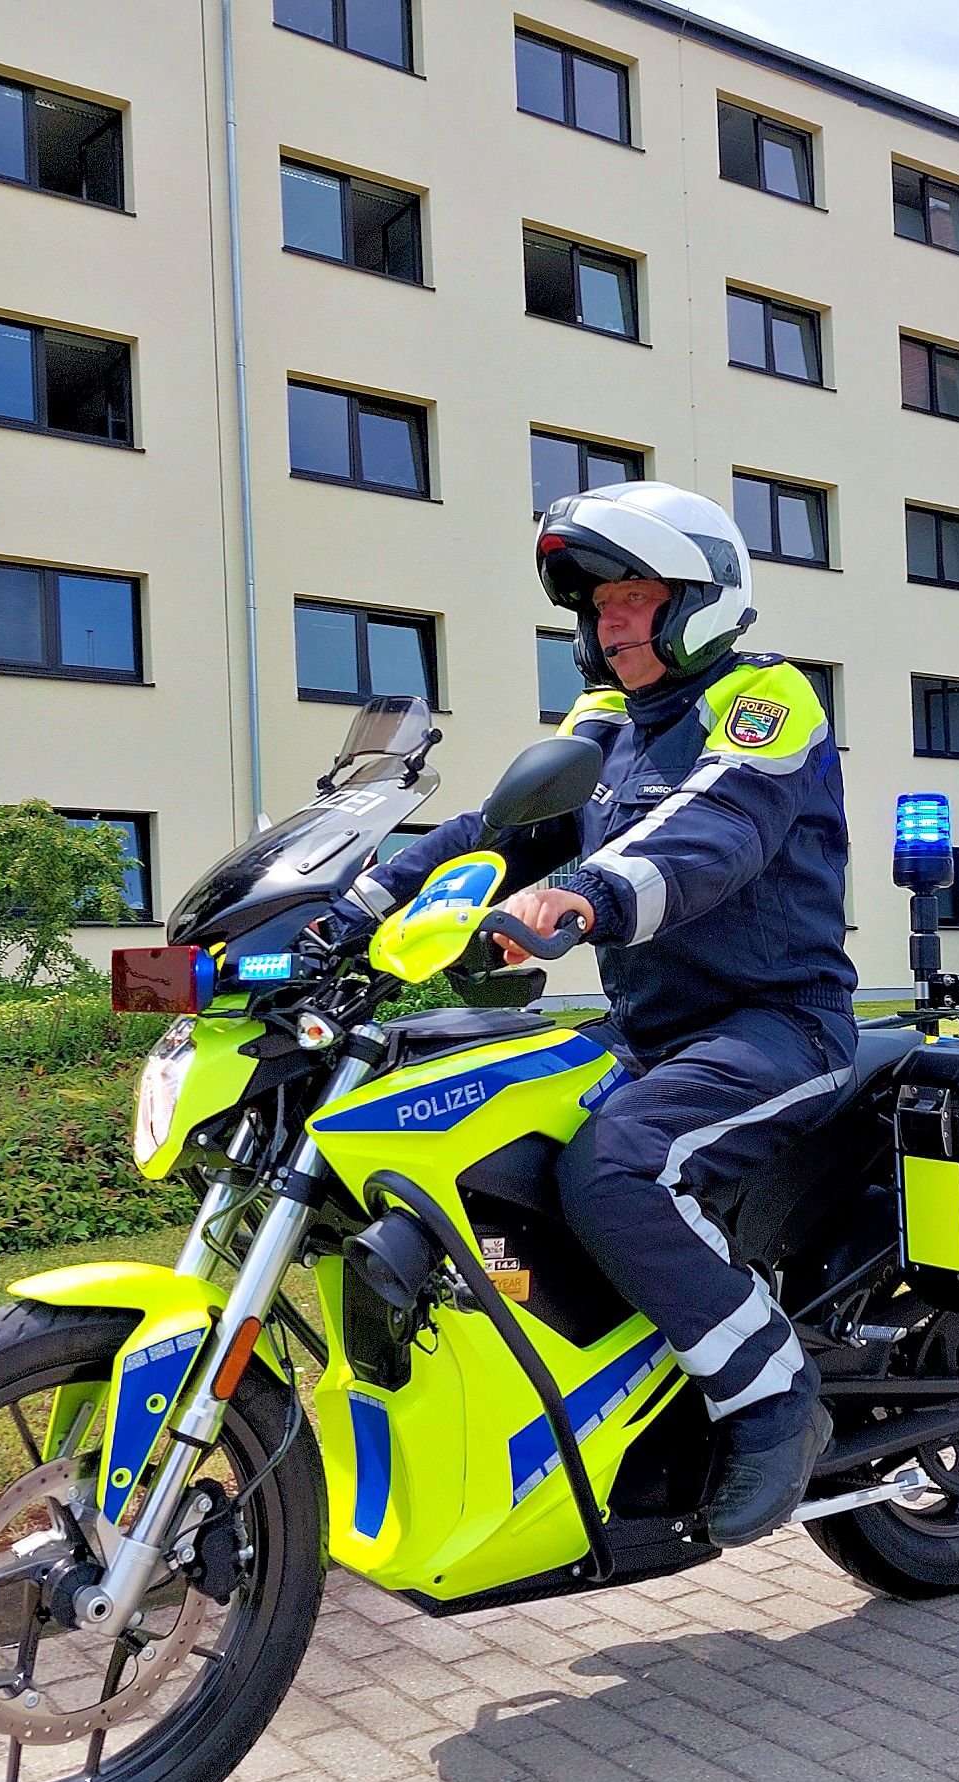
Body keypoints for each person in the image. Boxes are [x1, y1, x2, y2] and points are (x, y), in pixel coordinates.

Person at [333, 482, 857, 1543]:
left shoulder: (766, 700)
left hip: (775, 1024)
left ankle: (772, 1402)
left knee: (615, 1168)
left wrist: (587, 896)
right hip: (652, 1028)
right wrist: (351, 903)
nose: (609, 621)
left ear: (698, 601)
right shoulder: (603, 722)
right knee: (477, 1125)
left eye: (634, 597)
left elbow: (709, 832)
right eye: (598, 604)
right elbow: (504, 828)